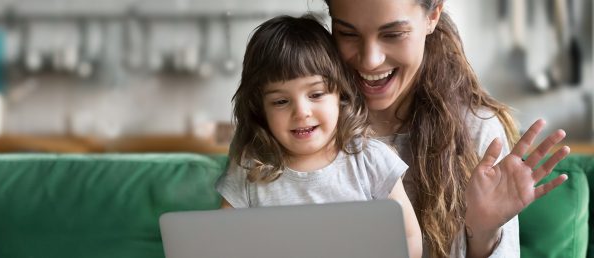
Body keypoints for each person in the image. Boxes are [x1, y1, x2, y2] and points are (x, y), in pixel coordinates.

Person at [321, 0, 571, 257]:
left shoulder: (475, 129)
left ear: (433, 15)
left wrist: (483, 232)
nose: (371, 60)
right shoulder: (305, 126)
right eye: (348, 33)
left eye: (393, 34)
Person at [215, 15, 422, 258]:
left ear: (340, 95)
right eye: (281, 101)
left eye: (316, 94)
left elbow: (407, 235)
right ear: (260, 109)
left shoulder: (371, 160)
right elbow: (223, 243)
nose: (301, 112)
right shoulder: (250, 170)